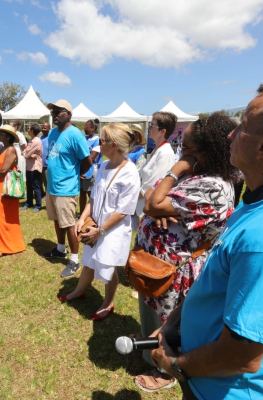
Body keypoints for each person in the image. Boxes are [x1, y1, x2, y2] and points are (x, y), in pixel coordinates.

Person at [149, 93, 263, 400]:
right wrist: (173, 324)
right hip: (205, 381)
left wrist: (176, 366)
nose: (231, 134)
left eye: (242, 127)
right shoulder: (250, 207)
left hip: (226, 391)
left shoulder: (259, 239)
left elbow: (243, 355)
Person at [132, 112, 237, 393]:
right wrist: (162, 210)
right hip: (161, 264)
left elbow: (154, 203)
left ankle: (165, 372)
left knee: (172, 324)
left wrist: (175, 170)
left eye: (187, 148)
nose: (182, 152)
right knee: (155, 314)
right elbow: (158, 203)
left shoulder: (212, 186)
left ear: (206, 152)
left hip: (178, 270)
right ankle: (149, 345)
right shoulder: (200, 177)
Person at [59, 123, 140, 321]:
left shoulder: (130, 172)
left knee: (107, 266)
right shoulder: (103, 166)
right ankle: (79, 291)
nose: (97, 145)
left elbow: (123, 211)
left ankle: (108, 303)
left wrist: (100, 231)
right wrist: (81, 218)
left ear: (113, 145)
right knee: (89, 261)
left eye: (101, 141)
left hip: (112, 230)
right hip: (95, 226)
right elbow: (93, 198)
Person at [43, 99, 92, 278]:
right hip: (52, 186)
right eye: (53, 111)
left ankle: (74, 260)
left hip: (66, 188)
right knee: (57, 220)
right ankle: (60, 248)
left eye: (59, 111)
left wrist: (74, 176)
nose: (54, 114)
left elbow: (87, 161)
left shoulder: (75, 134)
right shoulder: (53, 133)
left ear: (69, 114)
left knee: (69, 224)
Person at [0, 125, 26, 258]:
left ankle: (3, 246)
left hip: (7, 186)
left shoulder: (10, 149)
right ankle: (10, 244)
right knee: (4, 215)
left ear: (8, 136)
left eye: (2, 133)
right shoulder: (2, 149)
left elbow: (4, 169)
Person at [79, 118, 102, 214]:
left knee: (91, 194)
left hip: (91, 170)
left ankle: (93, 213)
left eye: (86, 127)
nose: (84, 129)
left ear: (93, 128)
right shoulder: (84, 138)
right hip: (81, 170)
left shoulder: (97, 140)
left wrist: (83, 170)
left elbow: (91, 157)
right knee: (82, 193)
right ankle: (81, 214)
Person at [21, 123, 43, 212]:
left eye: (29, 129)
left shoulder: (36, 141)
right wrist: (27, 154)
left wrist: (27, 155)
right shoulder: (31, 140)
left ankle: (38, 205)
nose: (27, 130)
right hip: (29, 166)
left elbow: (26, 154)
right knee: (29, 186)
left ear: (33, 131)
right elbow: (25, 151)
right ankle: (29, 203)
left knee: (36, 186)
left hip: (35, 167)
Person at [40, 122, 50, 198]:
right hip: (39, 164)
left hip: (47, 164)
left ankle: (48, 196)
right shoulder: (39, 138)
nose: (43, 129)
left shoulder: (51, 138)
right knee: (39, 181)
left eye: (45, 128)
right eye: (42, 128)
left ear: (49, 129)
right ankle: (42, 194)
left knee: (47, 181)